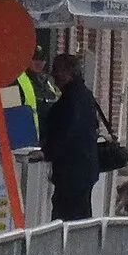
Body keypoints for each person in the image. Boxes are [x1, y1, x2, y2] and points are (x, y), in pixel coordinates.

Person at [40, 54, 101, 221]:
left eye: (57, 70)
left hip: (72, 173)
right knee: (77, 217)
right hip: (80, 171)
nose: (53, 75)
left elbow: (68, 130)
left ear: (68, 72)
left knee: (67, 218)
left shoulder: (72, 99)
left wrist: (48, 152)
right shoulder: (83, 95)